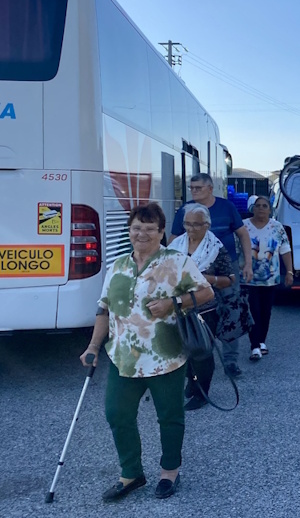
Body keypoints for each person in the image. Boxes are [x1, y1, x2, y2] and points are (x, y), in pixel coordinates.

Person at [80, 202, 213, 501]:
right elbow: (103, 309)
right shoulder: (117, 266)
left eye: (150, 229)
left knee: (170, 416)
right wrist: (92, 346)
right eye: (136, 227)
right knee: (117, 414)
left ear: (162, 232)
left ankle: (169, 472)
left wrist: (173, 303)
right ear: (129, 230)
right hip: (123, 357)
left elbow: (206, 292)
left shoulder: (176, 262)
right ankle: (131, 473)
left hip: (165, 356)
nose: (142, 234)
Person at [171, 173, 253, 377]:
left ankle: (230, 361)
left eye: (198, 187)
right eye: (191, 188)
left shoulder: (226, 207)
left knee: (230, 312)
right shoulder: (185, 211)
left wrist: (247, 263)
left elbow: (242, 234)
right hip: (194, 269)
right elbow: (174, 239)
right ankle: (197, 361)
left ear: (210, 188)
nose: (194, 191)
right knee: (195, 313)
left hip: (226, 265)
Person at [168, 203, 249, 411]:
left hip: (206, 308)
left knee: (202, 350)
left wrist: (208, 278)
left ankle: (202, 391)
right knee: (182, 349)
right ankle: (192, 381)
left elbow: (230, 279)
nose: (190, 229)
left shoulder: (216, 248)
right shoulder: (176, 245)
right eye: (187, 224)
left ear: (207, 225)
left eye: (196, 225)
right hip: (178, 307)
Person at [244, 195, 293, 359]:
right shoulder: (244, 226)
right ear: (253, 208)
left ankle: (262, 341)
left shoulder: (277, 227)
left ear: (270, 209)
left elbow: (285, 249)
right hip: (250, 278)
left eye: (264, 206)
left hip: (270, 278)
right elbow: (237, 249)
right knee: (253, 310)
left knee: (266, 311)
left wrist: (290, 272)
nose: (261, 209)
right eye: (257, 206)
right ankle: (254, 346)